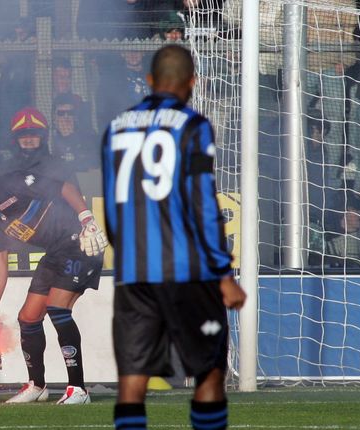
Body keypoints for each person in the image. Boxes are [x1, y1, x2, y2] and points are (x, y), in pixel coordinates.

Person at [101, 45, 246, 430]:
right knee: (210, 372)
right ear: (192, 83)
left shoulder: (115, 127)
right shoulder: (192, 125)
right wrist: (224, 273)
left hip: (134, 273)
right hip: (187, 273)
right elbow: (203, 202)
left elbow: (114, 210)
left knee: (132, 382)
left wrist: (127, 254)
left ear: (149, 81)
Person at [0, 152, 108, 405]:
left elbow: (64, 187)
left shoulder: (12, 182)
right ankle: (37, 385)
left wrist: (86, 219)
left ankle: (78, 389)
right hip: (55, 252)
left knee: (57, 307)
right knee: (28, 317)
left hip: (79, 243)